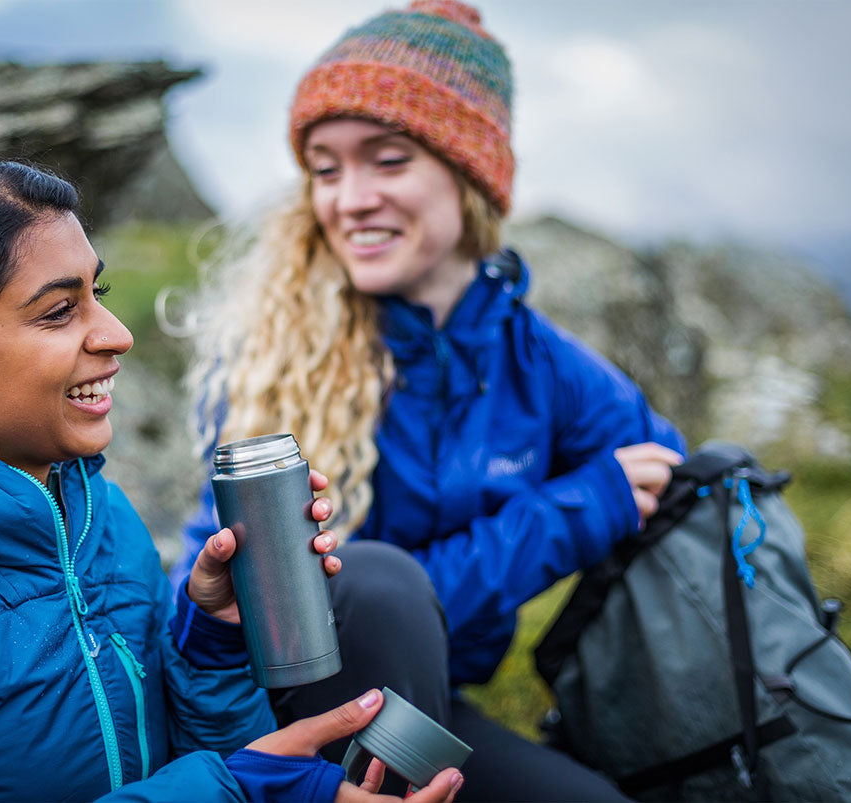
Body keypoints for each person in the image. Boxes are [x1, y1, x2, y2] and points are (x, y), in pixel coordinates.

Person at [0, 151, 465, 802]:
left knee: (376, 586)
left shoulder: (105, 519)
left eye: (99, 292)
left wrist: (210, 642)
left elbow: (193, 765)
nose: (117, 333)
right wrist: (239, 792)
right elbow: (216, 784)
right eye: (60, 310)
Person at [174, 1, 687, 799]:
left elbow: (660, 463)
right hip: (280, 726)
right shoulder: (281, 356)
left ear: (470, 173)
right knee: (377, 580)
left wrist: (621, 495)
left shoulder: (532, 353)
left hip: (429, 714)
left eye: (387, 160)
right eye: (325, 167)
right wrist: (574, 512)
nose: (348, 200)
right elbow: (372, 611)